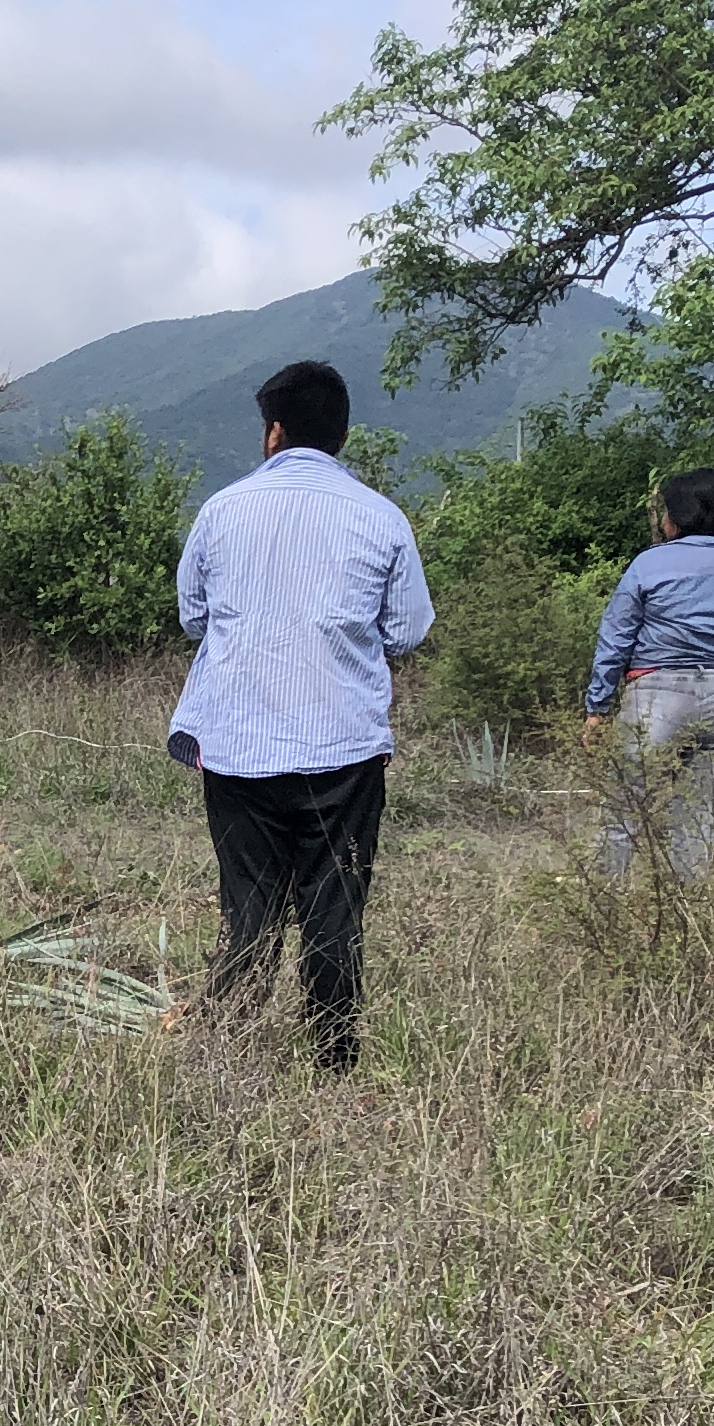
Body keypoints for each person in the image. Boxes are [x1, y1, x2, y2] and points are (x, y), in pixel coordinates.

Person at [168, 358, 434, 1074]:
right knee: (334, 908)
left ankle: (230, 1055)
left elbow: (193, 618)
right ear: (342, 436)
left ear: (274, 432)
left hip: (238, 746)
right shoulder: (382, 517)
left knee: (248, 907)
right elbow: (408, 630)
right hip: (343, 748)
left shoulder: (222, 510)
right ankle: (334, 1060)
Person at [584, 468, 714, 879]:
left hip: (655, 694)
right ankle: (689, 919)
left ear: (674, 516)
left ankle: (605, 908)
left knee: (624, 812)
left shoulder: (648, 565)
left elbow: (615, 640)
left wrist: (598, 708)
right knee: (696, 821)